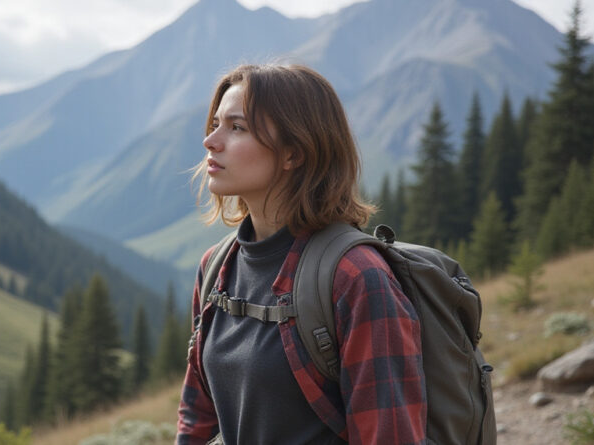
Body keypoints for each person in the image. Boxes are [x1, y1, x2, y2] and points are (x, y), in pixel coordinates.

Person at [176, 64, 426, 445]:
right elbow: (197, 418)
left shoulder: (357, 277)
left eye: (237, 127)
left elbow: (390, 436)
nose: (211, 141)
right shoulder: (215, 268)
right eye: (215, 124)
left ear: (293, 152)